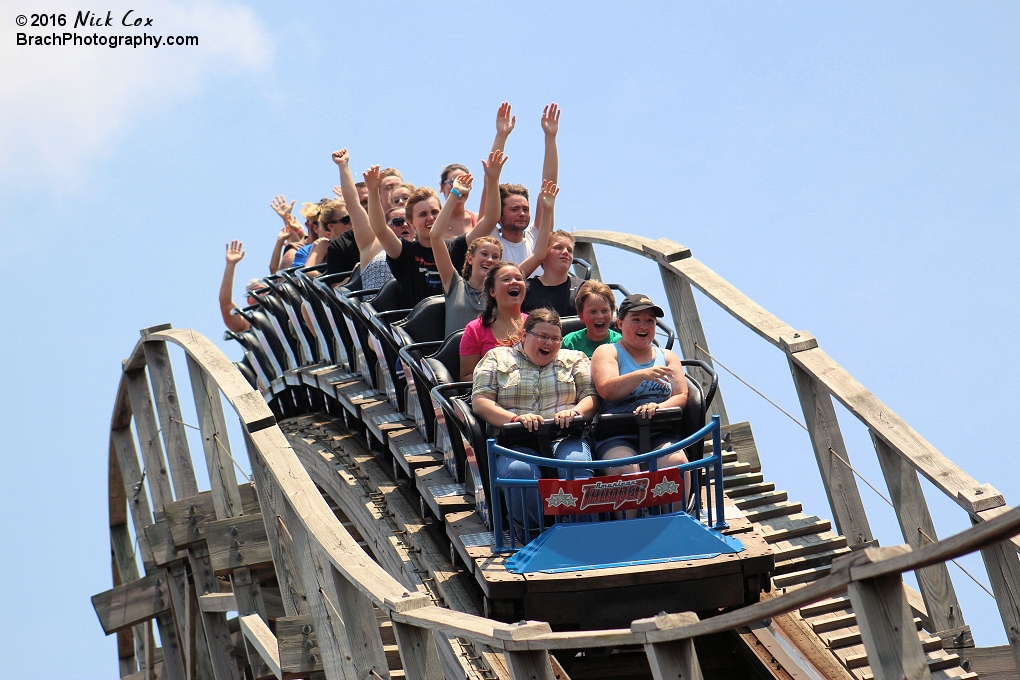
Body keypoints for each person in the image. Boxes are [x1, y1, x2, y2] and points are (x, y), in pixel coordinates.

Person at [471, 309, 598, 532]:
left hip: (564, 436)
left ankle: (584, 532)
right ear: (524, 335)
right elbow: (481, 402)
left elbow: (591, 397)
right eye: (542, 336)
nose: (549, 343)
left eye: (555, 338)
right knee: (520, 471)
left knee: (576, 463)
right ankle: (532, 535)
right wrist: (514, 418)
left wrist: (575, 412)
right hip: (515, 442)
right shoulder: (496, 357)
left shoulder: (574, 358)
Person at [367, 153, 504, 309]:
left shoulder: (455, 247)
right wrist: (372, 191)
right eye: (423, 214)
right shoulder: (404, 251)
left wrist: (492, 180)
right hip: (416, 329)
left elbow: (490, 219)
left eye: (435, 213)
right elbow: (380, 229)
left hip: (454, 325)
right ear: (411, 222)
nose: (431, 218)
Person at [590, 294, 689, 478]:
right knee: (628, 470)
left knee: (676, 464)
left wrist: (658, 408)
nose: (643, 326)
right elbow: (607, 390)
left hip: (658, 431)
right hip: (617, 435)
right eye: (636, 320)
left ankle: (676, 508)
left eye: (650, 321)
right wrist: (642, 375)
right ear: (619, 324)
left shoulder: (667, 356)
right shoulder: (607, 351)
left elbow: (681, 395)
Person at [331, 148, 414, 291]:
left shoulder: (423, 248)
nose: (404, 225)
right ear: (385, 224)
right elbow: (354, 205)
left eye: (408, 221)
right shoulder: (371, 242)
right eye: (397, 222)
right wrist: (343, 165)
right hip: (374, 311)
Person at [491, 103, 561, 264]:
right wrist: (501, 137)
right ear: (499, 215)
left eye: (525, 209)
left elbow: (549, 185)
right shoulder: (492, 242)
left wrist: (550, 137)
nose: (522, 214)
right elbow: (491, 181)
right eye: (514, 209)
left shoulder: (536, 238)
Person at [459, 261, 527, 380]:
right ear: (492, 292)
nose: (514, 282)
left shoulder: (537, 323)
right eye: (506, 279)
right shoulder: (475, 329)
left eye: (518, 278)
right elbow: (466, 376)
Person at [521, 230, 583, 316]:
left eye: (569, 250)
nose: (565, 252)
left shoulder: (582, 288)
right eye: (558, 247)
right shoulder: (526, 290)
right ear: (544, 253)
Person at [562, 280, 621, 357]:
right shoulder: (570, 342)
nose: (600, 316)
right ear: (581, 316)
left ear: (612, 313)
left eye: (604, 311)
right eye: (593, 312)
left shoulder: (620, 343)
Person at [219, 240, 266, 332]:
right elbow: (225, 302)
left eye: (262, 290)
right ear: (248, 301)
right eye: (254, 293)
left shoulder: (283, 305)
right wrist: (230, 265)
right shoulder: (245, 323)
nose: (258, 294)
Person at [438, 163, 477, 237]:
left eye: (464, 182)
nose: (459, 187)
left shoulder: (477, 220)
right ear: (442, 187)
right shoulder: (433, 220)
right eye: (453, 182)